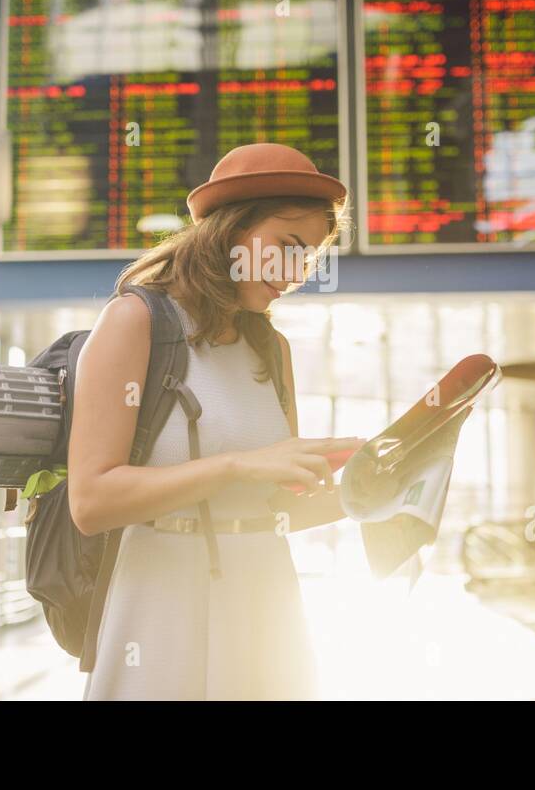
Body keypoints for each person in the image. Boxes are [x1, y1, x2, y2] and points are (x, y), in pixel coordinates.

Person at [70, 142, 365, 700]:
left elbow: (275, 507)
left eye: (311, 258)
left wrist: (373, 489)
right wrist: (239, 465)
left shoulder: (270, 348)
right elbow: (91, 502)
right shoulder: (135, 321)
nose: (298, 273)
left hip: (265, 602)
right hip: (160, 603)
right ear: (229, 231)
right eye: (287, 246)